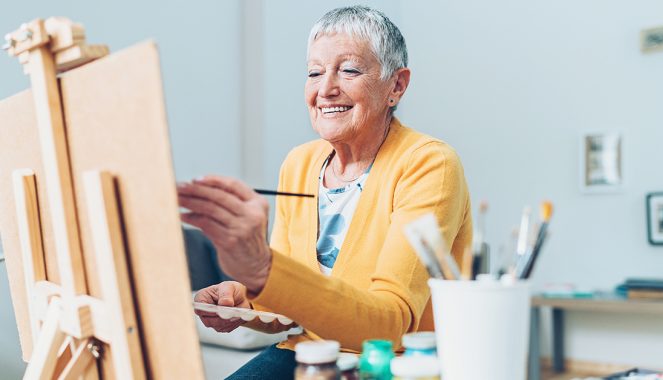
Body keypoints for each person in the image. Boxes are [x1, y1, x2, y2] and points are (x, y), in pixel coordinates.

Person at [178, 5, 472, 379]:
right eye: (315, 72)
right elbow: (291, 301)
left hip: (387, 363)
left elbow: (389, 325)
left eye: (349, 70)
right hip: (306, 353)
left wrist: (263, 270)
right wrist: (245, 296)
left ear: (396, 86)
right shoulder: (298, 163)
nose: (326, 89)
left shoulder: (429, 164)